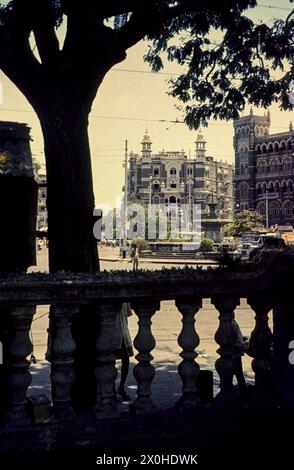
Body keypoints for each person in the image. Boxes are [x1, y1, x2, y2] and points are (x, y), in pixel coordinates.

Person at [115, 302, 134, 402]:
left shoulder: (125, 301)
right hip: (115, 332)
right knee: (111, 362)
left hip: (123, 332)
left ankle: (121, 387)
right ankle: (114, 390)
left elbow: (127, 314)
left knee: (126, 360)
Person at [232, 319, 249, 397]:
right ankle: (242, 391)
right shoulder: (233, 324)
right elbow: (238, 342)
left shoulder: (232, 323)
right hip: (235, 354)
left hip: (235, 353)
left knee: (237, 374)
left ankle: (241, 391)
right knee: (239, 374)